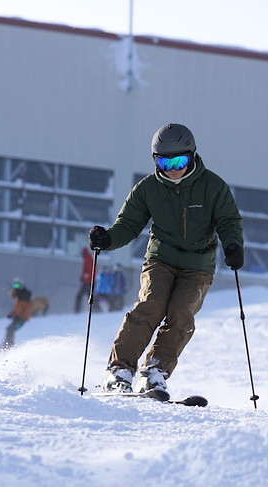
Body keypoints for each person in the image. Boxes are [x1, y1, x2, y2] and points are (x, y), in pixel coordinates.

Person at [88, 122, 243, 394]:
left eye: (179, 160)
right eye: (164, 161)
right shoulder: (148, 188)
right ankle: (120, 369)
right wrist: (108, 239)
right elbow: (128, 225)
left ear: (192, 155)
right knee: (151, 304)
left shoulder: (213, 186)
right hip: (161, 259)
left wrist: (233, 245)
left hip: (198, 264)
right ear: (155, 161)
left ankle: (155, 370)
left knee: (182, 313)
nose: (173, 169)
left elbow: (229, 221)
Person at [0, 278, 32, 349]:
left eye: (17, 285)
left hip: (22, 318)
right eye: (14, 285)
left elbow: (23, 308)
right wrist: (12, 314)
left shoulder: (24, 296)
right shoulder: (19, 297)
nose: (15, 287)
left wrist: (15, 314)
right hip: (18, 317)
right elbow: (18, 308)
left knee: (10, 329)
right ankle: (7, 343)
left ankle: (9, 345)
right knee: (9, 329)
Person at [74, 247, 94, 313]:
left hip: (87, 282)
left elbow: (88, 271)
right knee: (89, 296)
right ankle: (94, 309)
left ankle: (77, 310)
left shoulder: (87, 258)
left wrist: (84, 277)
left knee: (80, 296)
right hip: (88, 281)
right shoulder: (88, 258)